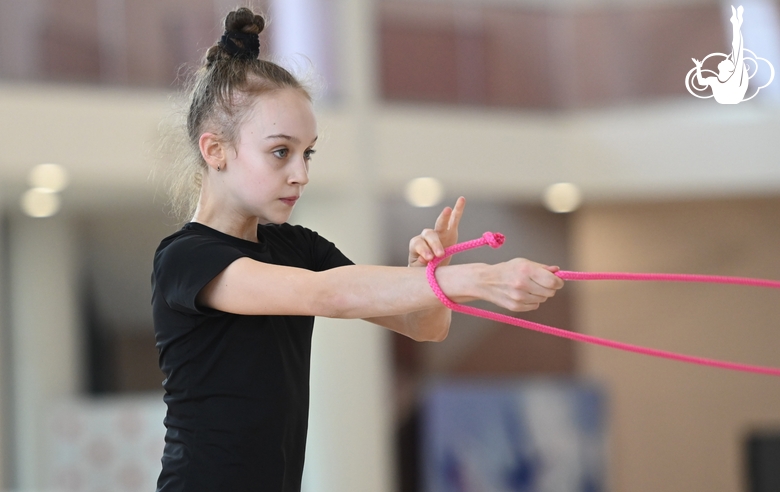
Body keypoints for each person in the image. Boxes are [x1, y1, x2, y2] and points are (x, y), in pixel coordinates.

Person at [151, 7, 564, 492]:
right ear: (215, 150)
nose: (301, 173)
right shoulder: (185, 258)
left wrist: (427, 273)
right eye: (281, 151)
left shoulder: (296, 245)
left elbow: (423, 326)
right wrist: (481, 279)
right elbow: (327, 296)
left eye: (307, 153)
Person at [692, 5, 748, 104]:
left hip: (731, 101)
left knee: (737, 49)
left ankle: (736, 24)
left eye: (726, 61)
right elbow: (701, 82)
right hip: (728, 102)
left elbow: (737, 48)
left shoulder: (732, 78)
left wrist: (736, 25)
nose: (724, 59)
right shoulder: (716, 80)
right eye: (727, 61)